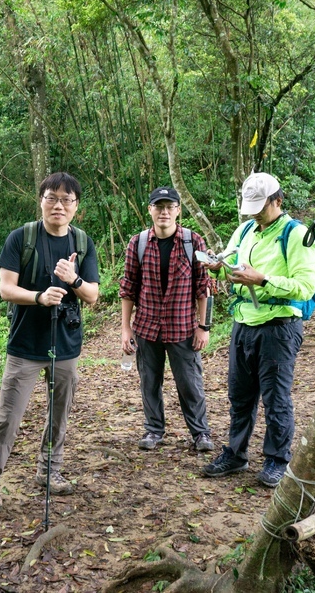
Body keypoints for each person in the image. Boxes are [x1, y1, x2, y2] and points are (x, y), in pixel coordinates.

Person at [0, 172, 100, 514]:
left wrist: (72, 278)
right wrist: (40, 297)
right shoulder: (22, 238)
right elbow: (5, 289)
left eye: (66, 200)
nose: (58, 205)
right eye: (52, 198)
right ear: (41, 201)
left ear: (76, 207)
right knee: (9, 417)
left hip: (67, 344)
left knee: (60, 413)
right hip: (26, 346)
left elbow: (92, 294)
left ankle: (50, 469)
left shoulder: (83, 242)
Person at [201, 172, 315, 487]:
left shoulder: (296, 235)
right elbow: (233, 270)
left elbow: (306, 286)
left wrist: (263, 280)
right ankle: (236, 454)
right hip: (244, 323)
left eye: (261, 207)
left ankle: (277, 460)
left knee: (276, 397)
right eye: (250, 207)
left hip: (279, 327)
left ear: (278, 201)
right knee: (240, 395)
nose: (255, 213)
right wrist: (220, 267)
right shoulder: (245, 229)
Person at [119, 186, 215, 453]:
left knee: (190, 382)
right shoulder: (136, 243)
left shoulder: (193, 241)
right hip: (147, 328)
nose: (164, 212)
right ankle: (153, 430)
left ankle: (200, 432)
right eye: (158, 206)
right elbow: (128, 287)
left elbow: (203, 286)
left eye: (169, 207)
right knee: (150, 381)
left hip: (182, 327)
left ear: (177, 210)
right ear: (149, 209)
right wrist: (126, 328)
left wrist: (203, 326)